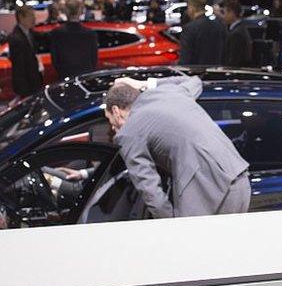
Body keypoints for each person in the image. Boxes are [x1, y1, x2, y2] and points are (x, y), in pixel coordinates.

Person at [102, 76, 250, 218]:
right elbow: (194, 81)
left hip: (206, 195)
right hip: (239, 178)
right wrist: (143, 84)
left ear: (116, 111)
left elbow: (150, 190)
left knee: (195, 244)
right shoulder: (167, 93)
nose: (113, 128)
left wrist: (172, 224)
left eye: (110, 120)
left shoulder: (129, 133)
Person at [49, 0, 98, 81]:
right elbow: (94, 59)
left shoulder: (56, 33)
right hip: (86, 78)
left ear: (65, 12)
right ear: (80, 12)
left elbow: (55, 60)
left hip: (65, 77)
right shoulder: (90, 33)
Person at [178, 0, 227, 66]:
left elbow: (186, 58)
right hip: (217, 72)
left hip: (197, 74)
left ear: (192, 8)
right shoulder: (219, 25)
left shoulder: (189, 28)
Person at [9, 5, 43, 100]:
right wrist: (24, 93)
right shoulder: (16, 39)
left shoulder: (29, 32)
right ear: (21, 17)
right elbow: (19, 68)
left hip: (34, 84)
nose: (34, 19)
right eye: (31, 16)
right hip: (27, 88)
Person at [221, 0, 253, 68]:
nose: (223, 16)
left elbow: (234, 60)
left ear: (232, 13)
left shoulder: (237, 34)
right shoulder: (240, 29)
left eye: (224, 13)